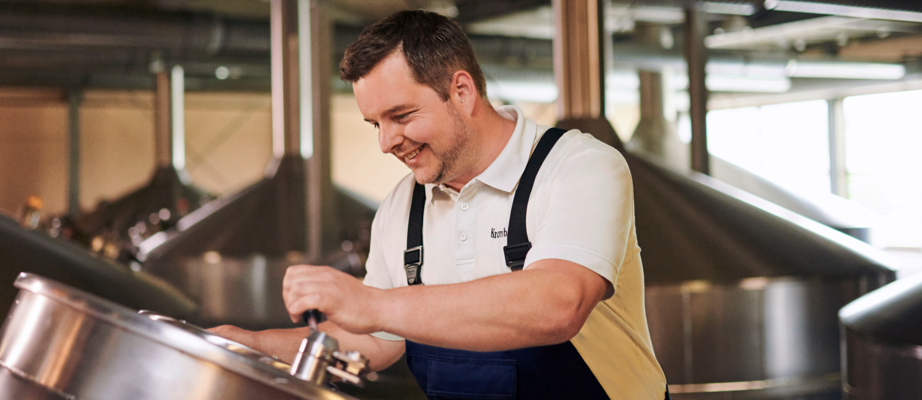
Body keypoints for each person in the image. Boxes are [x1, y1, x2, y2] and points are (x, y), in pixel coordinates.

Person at [211, 10, 667, 399]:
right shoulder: (402, 206)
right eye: (375, 124)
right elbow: (371, 341)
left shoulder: (578, 166)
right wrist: (247, 345)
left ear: (462, 92)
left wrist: (373, 304)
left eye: (401, 116)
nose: (387, 142)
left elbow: (559, 303)